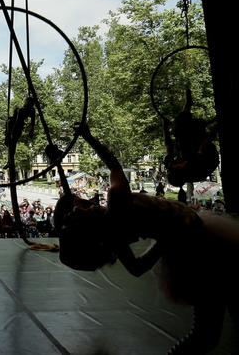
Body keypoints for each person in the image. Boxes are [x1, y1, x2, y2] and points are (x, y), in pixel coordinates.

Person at [55, 124, 238, 354]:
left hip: (187, 247)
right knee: (207, 329)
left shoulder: (112, 235)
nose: (75, 205)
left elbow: (136, 267)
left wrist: (163, 242)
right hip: (198, 245)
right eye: (74, 211)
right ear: (87, 219)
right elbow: (113, 163)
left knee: (209, 325)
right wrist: (88, 136)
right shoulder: (117, 201)